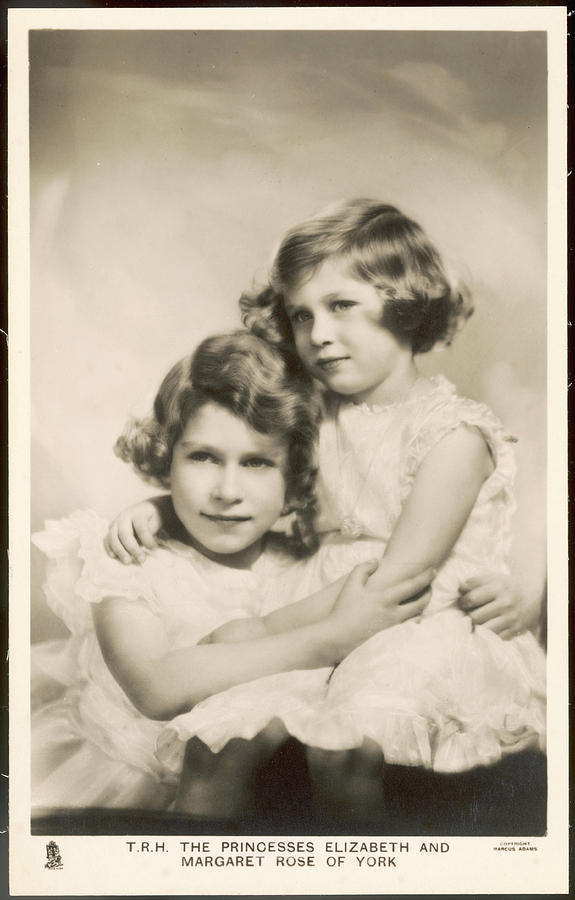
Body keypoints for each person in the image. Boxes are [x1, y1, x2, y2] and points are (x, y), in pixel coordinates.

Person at [106, 201, 546, 829]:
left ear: (406, 302)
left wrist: (262, 631)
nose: (317, 334)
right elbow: (249, 488)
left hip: (417, 622)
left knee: (343, 749)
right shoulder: (311, 413)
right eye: (301, 314)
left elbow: (401, 583)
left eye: (341, 306)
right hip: (328, 613)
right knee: (218, 747)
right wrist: (161, 511)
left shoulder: (453, 436)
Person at [31, 330, 432, 822]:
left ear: (295, 478)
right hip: (136, 784)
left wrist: (505, 599)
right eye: (202, 457)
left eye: (258, 463)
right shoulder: (128, 558)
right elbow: (155, 687)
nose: (226, 490)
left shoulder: (306, 561)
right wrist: (331, 638)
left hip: (265, 792)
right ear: (166, 457)